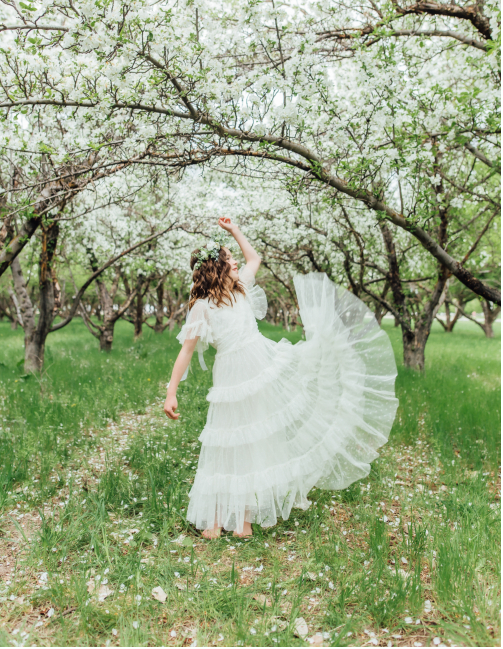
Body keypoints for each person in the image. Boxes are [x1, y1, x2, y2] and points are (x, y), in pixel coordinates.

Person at [163, 217, 397, 539]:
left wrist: (235, 231)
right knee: (225, 442)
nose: (235, 262)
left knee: (250, 443)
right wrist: (171, 391)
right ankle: (216, 520)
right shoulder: (203, 307)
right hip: (231, 376)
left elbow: (254, 258)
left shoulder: (242, 288)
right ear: (215, 269)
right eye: (228, 259)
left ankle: (243, 522)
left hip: (260, 367)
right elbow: (186, 351)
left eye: (233, 258)